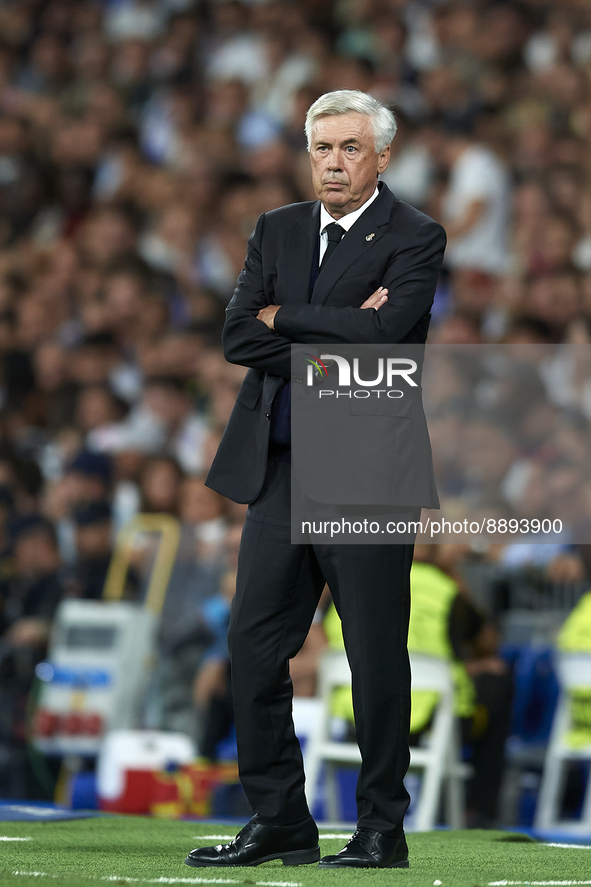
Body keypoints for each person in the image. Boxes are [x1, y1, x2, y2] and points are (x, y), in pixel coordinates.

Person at [186, 89, 446, 871]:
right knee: (253, 644)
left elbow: (386, 334)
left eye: (350, 149)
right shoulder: (275, 227)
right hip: (281, 470)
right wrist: (333, 327)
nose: (333, 163)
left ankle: (380, 828)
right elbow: (238, 334)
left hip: (367, 476)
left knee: (371, 653)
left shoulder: (415, 235)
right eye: (322, 148)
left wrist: (285, 317)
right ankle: (280, 817)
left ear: (382, 157)